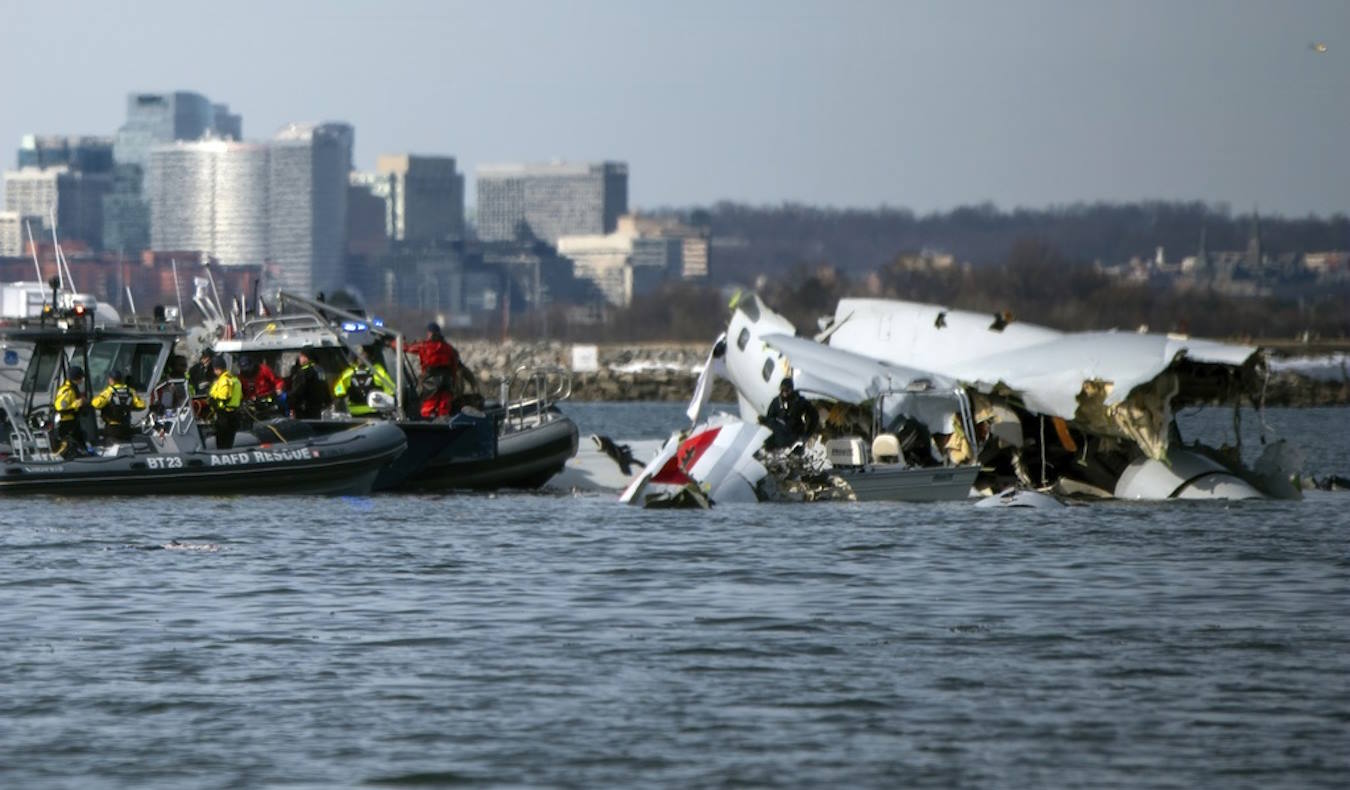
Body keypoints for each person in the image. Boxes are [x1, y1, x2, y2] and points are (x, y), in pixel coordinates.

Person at [404, 322, 458, 418]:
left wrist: (392, 342)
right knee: (444, 406)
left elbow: (407, 348)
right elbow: (454, 367)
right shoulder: (448, 348)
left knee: (428, 405)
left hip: (431, 381)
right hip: (446, 380)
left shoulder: (424, 346)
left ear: (430, 333)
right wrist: (453, 382)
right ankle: (444, 424)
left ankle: (426, 424)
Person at [760, 377, 820, 450]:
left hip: (795, 436)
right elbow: (770, 418)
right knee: (767, 445)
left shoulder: (799, 401)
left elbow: (814, 416)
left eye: (787, 390)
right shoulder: (777, 402)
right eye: (782, 389)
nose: (784, 392)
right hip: (780, 434)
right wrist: (765, 421)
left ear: (791, 390)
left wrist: (808, 434)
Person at [333, 350, 396, 417]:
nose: (362, 357)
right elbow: (338, 391)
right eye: (360, 355)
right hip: (355, 414)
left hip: (374, 412)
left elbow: (391, 390)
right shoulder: (348, 373)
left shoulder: (378, 371)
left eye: (364, 355)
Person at [91, 368, 147, 443]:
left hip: (112, 428)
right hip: (126, 427)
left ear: (111, 380)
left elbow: (96, 404)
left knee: (111, 450)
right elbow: (141, 405)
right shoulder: (131, 391)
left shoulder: (109, 391)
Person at [53, 365, 89, 458]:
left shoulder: (72, 388)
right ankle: (59, 457)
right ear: (76, 378)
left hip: (72, 421)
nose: (82, 380)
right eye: (81, 377)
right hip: (66, 422)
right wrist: (78, 403)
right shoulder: (68, 391)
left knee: (80, 439)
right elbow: (60, 407)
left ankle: (84, 455)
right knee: (68, 442)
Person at [208, 356, 243, 450]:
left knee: (222, 442)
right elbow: (240, 397)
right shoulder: (235, 380)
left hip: (224, 415)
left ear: (216, 368)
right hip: (234, 413)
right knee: (229, 441)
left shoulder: (224, 380)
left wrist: (213, 399)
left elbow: (224, 397)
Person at [286, 347, 329, 419]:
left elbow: (298, 390)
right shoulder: (319, 370)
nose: (300, 358)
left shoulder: (304, 372)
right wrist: (327, 401)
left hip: (304, 408)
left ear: (306, 357)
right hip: (317, 408)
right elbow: (325, 387)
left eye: (301, 356)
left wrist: (290, 404)